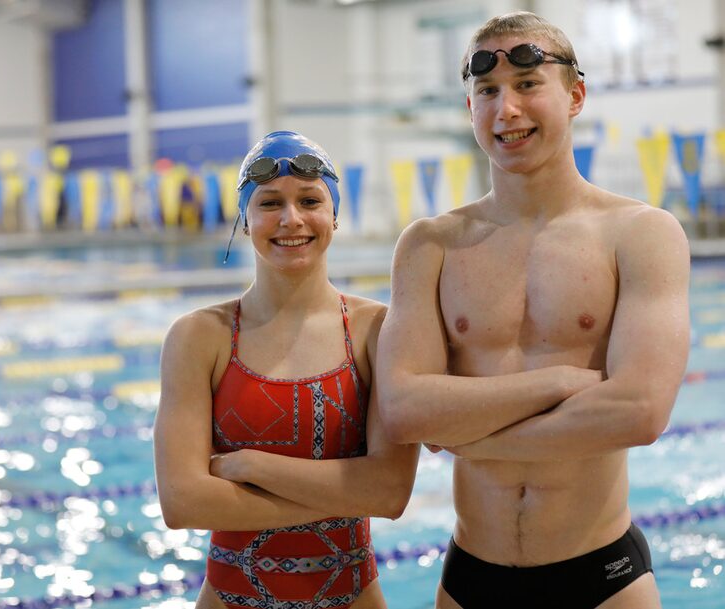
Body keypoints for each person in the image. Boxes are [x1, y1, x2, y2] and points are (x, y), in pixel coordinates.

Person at [376, 11, 689, 609]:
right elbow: (403, 409)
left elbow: (640, 411)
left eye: (526, 86)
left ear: (574, 96)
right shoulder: (429, 245)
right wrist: (561, 383)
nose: (507, 110)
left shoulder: (641, 234)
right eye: (487, 91)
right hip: (472, 576)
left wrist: (468, 436)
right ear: (469, 109)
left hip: (602, 576)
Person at [153, 130, 419, 609]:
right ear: (245, 219)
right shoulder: (199, 337)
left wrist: (252, 466)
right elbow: (182, 502)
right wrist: (347, 494)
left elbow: (391, 491)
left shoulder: (376, 331)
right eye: (270, 203)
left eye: (310, 200)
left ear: (335, 214)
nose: (291, 219)